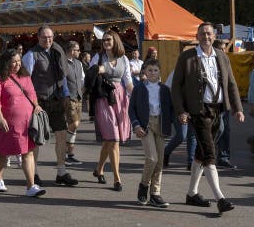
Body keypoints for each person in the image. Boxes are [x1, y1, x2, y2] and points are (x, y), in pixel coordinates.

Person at [171, 22, 243, 216]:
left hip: (218, 111)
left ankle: (192, 193)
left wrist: (238, 108)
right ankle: (220, 198)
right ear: (197, 35)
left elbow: (231, 84)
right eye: (202, 33)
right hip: (198, 112)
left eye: (209, 34)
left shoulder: (221, 56)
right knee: (210, 153)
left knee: (201, 155)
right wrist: (180, 110)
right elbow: (176, 86)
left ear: (214, 35)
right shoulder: (187, 57)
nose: (206, 37)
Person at [22, 25, 78, 187]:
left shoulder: (57, 52)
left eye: (50, 37)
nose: (48, 40)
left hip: (56, 100)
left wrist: (66, 93)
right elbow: (25, 82)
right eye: (44, 37)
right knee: (36, 139)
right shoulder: (31, 55)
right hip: (38, 102)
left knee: (61, 134)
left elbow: (63, 76)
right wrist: (33, 103)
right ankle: (34, 173)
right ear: (38, 38)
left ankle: (61, 172)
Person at [0, 48, 46, 197]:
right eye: (13, 62)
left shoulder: (25, 76)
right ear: (5, 63)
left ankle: (31, 186)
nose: (16, 65)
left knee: (27, 152)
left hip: (27, 122)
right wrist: (0, 118)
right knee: (2, 153)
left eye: (19, 62)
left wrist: (36, 105)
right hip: (7, 123)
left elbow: (32, 93)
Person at [87, 30, 133, 191]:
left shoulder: (124, 59)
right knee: (113, 139)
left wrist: (135, 96)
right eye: (104, 39)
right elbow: (88, 76)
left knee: (109, 139)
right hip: (103, 98)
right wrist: (97, 70)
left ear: (115, 41)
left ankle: (98, 169)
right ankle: (117, 178)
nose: (106, 42)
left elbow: (128, 81)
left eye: (109, 39)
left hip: (120, 98)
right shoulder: (97, 58)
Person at [130, 58, 174, 208]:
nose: (153, 73)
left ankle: (155, 194)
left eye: (155, 70)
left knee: (160, 162)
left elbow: (171, 109)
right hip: (146, 125)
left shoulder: (165, 89)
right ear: (144, 72)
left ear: (160, 71)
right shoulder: (139, 88)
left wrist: (181, 116)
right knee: (152, 158)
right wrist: (136, 125)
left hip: (161, 125)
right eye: (150, 70)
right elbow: (132, 109)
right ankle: (143, 186)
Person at [62, 40, 85, 166]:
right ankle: (65, 151)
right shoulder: (63, 63)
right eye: (77, 50)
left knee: (75, 125)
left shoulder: (79, 63)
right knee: (74, 124)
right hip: (69, 97)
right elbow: (63, 80)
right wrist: (65, 95)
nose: (79, 52)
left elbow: (82, 79)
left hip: (78, 97)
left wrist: (81, 91)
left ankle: (70, 154)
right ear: (71, 50)